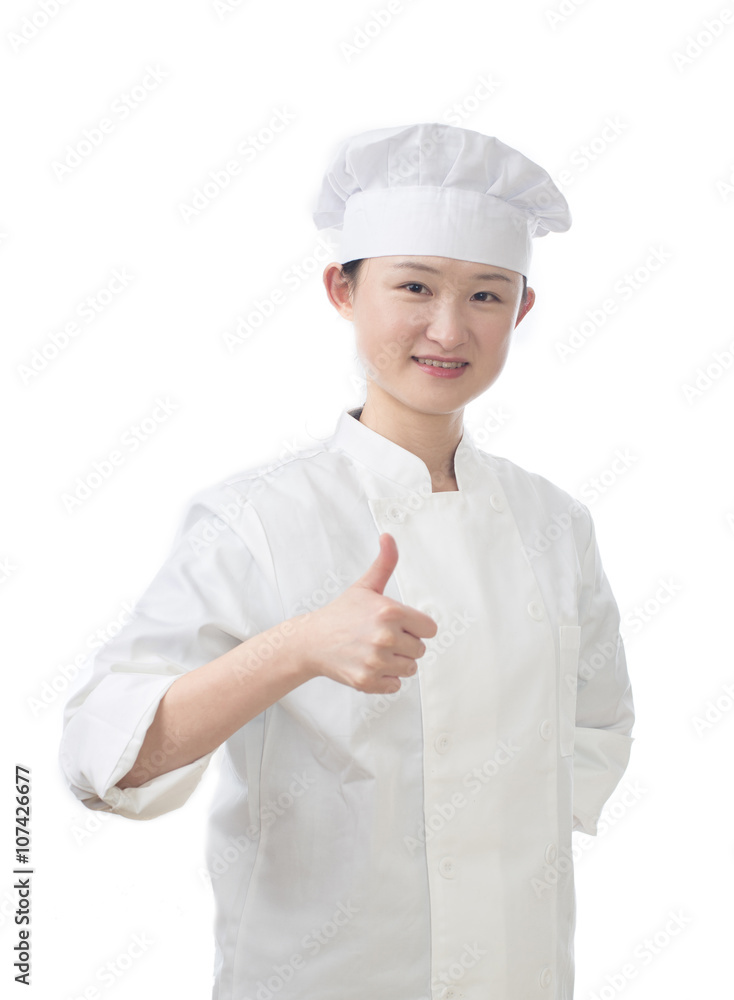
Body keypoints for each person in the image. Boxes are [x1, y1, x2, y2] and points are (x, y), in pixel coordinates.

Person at [58, 122, 635, 1000]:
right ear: (342, 289)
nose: (449, 328)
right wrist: (295, 648)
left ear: (521, 310)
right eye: (414, 286)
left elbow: (596, 730)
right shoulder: (256, 521)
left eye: (486, 295)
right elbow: (102, 757)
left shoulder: (556, 524)